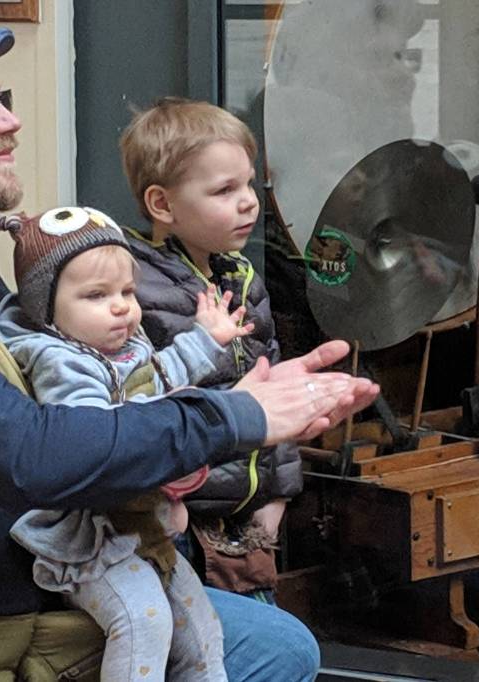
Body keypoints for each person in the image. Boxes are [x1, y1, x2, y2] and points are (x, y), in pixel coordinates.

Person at [0, 17, 378, 681]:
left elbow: (86, 403)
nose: (10, 123)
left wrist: (224, 404)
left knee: (276, 646)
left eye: (6, 103)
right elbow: (29, 453)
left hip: (18, 617)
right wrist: (236, 417)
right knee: (271, 651)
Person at [0, 205, 256, 681]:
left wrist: (206, 340)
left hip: (142, 527)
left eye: (127, 291)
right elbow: (97, 439)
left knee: (202, 628)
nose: (121, 306)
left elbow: (157, 377)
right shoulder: (60, 361)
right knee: (142, 619)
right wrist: (169, 452)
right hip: (87, 538)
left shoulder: (122, 347)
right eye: (96, 295)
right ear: (44, 308)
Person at [119, 98, 299, 602]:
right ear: (162, 204)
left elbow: (274, 383)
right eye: (224, 190)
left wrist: (278, 497)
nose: (248, 202)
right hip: (177, 525)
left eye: (249, 184)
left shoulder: (243, 278)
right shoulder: (135, 288)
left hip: (248, 522)